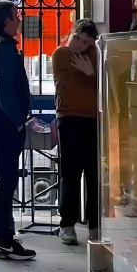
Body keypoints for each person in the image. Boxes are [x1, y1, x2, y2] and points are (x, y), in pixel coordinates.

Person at [0, 0, 36, 262]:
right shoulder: (7, 49)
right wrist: (18, 120)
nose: (20, 19)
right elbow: (4, 90)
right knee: (7, 179)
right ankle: (3, 240)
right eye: (16, 15)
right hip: (4, 123)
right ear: (6, 22)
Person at [51, 19, 99, 246]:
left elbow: (102, 83)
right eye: (77, 38)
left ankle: (95, 225)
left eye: (85, 42)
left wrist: (93, 73)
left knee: (94, 174)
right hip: (69, 118)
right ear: (71, 32)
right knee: (70, 172)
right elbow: (70, 79)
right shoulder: (60, 53)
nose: (79, 44)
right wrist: (90, 73)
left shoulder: (95, 56)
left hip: (92, 120)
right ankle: (67, 224)